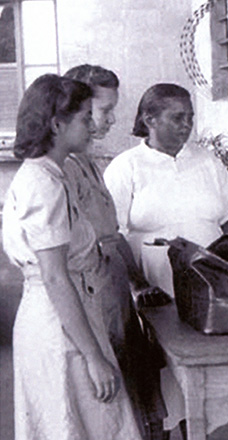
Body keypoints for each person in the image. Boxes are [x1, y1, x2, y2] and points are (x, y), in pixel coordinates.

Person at [2, 74, 142, 439]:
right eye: (84, 118)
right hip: (57, 323)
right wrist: (94, 357)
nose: (91, 126)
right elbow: (54, 276)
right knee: (74, 423)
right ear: (56, 124)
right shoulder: (42, 184)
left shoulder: (56, 175)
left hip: (72, 313)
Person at [104, 83, 228, 436]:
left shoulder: (208, 162)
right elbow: (113, 233)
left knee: (203, 383)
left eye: (190, 118)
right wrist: (139, 285)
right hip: (154, 287)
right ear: (149, 119)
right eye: (177, 117)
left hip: (208, 284)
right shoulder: (127, 166)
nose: (187, 125)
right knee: (162, 383)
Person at [63, 64, 168, 440]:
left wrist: (137, 283)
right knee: (107, 404)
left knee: (137, 392)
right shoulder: (63, 171)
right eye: (103, 110)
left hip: (115, 290)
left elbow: (111, 233)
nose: (110, 119)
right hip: (92, 294)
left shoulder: (87, 162)